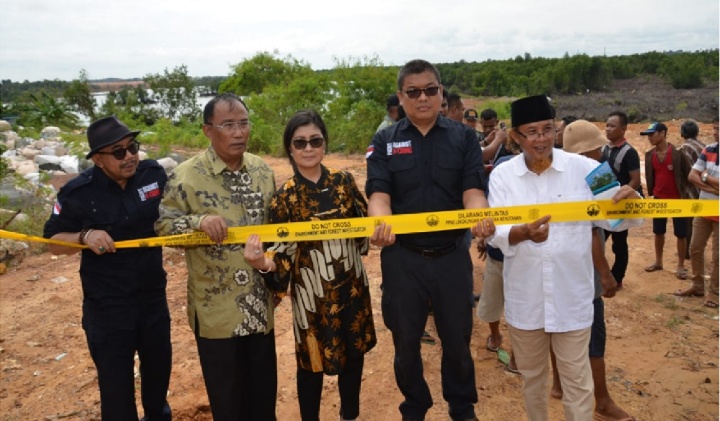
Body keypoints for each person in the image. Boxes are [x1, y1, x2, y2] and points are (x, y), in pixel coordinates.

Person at [487, 95, 641, 421]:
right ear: (516, 136)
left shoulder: (589, 170)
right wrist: (522, 233)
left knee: (578, 383)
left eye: (547, 129)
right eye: (532, 132)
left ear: (557, 130)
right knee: (533, 380)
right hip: (525, 301)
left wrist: (632, 200)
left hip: (572, 299)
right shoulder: (502, 176)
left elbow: (615, 220)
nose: (541, 138)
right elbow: (496, 232)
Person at [366, 58, 495, 421]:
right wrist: (380, 222)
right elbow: (379, 193)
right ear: (401, 96)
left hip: (451, 256)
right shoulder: (385, 140)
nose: (423, 98)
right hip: (402, 258)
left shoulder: (463, 138)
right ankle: (415, 405)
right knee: (405, 340)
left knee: (456, 337)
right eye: (413, 92)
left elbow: (472, 189)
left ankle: (461, 404)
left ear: (441, 93)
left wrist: (480, 215)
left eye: (430, 90)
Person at [242, 109, 376, 421]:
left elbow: (363, 230)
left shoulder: (344, 182)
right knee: (311, 363)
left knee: (354, 356)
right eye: (299, 142)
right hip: (311, 297)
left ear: (325, 143)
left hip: (352, 286)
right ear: (289, 148)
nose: (308, 148)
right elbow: (280, 256)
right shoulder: (284, 198)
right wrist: (262, 263)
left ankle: (349, 415)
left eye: (315, 140)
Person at [154, 93, 278, 421]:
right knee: (229, 405)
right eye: (228, 125)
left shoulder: (263, 171)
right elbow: (162, 226)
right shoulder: (186, 176)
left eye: (243, 124)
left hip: (259, 307)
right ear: (208, 131)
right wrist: (197, 223)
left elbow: (276, 230)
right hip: (216, 314)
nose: (238, 133)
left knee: (263, 401)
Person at [43, 116, 172, 421]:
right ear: (98, 160)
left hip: (153, 300)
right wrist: (84, 236)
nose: (129, 157)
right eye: (118, 152)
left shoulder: (153, 175)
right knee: (116, 398)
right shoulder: (78, 193)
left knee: (158, 384)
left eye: (132, 147)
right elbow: (52, 242)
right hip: (108, 310)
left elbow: (176, 212)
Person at [549, 119, 638, 421]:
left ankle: (559, 384)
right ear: (588, 151)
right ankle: (602, 401)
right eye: (598, 148)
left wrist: (633, 196)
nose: (602, 153)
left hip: (555, 269)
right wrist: (605, 274)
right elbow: (595, 232)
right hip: (582, 275)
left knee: (555, 325)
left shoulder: (552, 174)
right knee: (594, 335)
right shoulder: (596, 175)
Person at [475, 135, 521, 374]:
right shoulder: (502, 167)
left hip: (522, 253)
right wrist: (485, 236)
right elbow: (488, 207)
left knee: (517, 305)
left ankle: (514, 354)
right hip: (499, 250)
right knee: (494, 299)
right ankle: (495, 337)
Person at [676, 117, 719, 308]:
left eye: (718, 129)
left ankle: (714, 293)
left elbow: (699, 174)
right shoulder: (708, 149)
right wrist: (711, 185)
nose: (716, 133)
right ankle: (698, 285)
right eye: (714, 129)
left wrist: (705, 176)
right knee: (694, 247)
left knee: (718, 256)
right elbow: (692, 175)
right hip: (703, 208)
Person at [642, 122, 693, 280]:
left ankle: (681, 266)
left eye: (652, 134)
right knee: (658, 231)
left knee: (681, 233)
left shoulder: (678, 154)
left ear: (663, 133)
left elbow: (689, 175)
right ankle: (658, 262)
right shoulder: (649, 155)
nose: (649, 137)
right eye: (648, 135)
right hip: (658, 199)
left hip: (678, 200)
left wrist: (685, 193)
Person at [602, 111, 642, 289]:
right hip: (604, 204)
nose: (608, 129)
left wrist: (626, 193)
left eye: (612, 126)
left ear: (624, 129)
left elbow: (635, 180)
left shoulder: (630, 152)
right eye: (607, 125)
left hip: (620, 206)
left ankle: (618, 277)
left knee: (619, 243)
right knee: (598, 238)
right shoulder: (604, 149)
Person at [678, 119, 706, 258]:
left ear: (682, 133)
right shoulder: (704, 146)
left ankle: (688, 251)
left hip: (690, 188)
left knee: (688, 222)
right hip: (705, 188)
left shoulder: (684, 148)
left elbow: (685, 171)